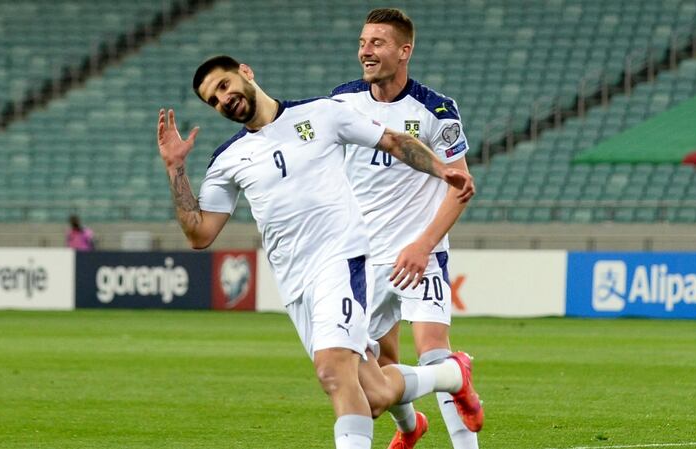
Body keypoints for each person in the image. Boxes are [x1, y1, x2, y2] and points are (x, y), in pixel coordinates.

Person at [156, 55, 483, 449]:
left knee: (332, 373)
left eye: (224, 86)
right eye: (213, 100)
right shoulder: (227, 160)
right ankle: (451, 377)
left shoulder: (323, 113)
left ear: (245, 72)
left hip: (340, 261)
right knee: (374, 394)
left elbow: (394, 140)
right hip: (295, 286)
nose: (223, 100)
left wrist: (441, 169)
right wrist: (176, 169)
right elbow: (200, 234)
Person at [331, 9, 480, 449]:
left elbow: (460, 186)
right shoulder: (340, 102)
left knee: (434, 349)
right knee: (375, 370)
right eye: (362, 42)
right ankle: (410, 426)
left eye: (377, 43)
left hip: (420, 251)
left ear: (404, 50)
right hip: (361, 256)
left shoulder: (436, 109)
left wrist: (423, 244)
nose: (366, 51)